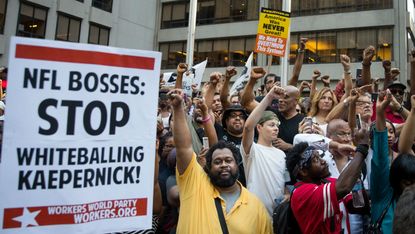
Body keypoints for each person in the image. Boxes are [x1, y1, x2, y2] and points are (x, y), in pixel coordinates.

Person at [169, 88, 272, 234]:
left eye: (228, 160)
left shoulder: (256, 206)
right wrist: (178, 108)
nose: (223, 164)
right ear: (209, 167)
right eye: (217, 162)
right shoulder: (194, 184)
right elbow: (183, 147)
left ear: (238, 164)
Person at [286, 131, 368, 233]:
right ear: (303, 171)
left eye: (320, 156)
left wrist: (356, 179)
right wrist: (362, 149)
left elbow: (358, 207)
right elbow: (344, 187)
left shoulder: (326, 182)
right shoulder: (302, 192)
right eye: (316, 160)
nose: (323, 161)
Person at [241, 83, 289, 215]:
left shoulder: (281, 154)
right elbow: (247, 127)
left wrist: (287, 194)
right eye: (271, 125)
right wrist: (269, 97)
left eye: (277, 125)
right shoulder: (252, 150)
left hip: (278, 216)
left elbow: (285, 181)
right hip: (256, 215)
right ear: (259, 128)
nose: (276, 128)